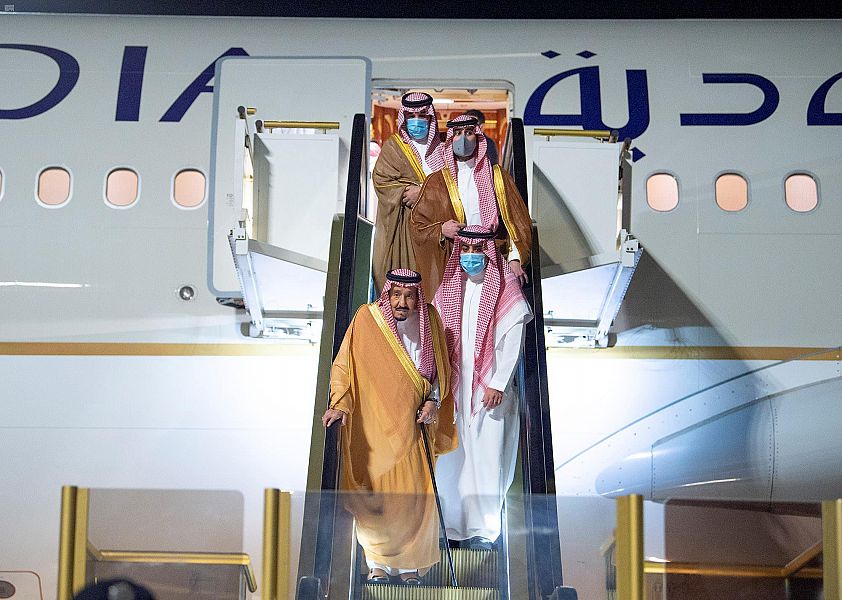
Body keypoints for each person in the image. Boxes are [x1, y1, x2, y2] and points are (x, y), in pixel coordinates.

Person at [322, 269, 456, 584]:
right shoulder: (367, 319)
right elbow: (344, 365)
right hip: (374, 428)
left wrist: (433, 402)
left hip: (415, 427)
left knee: (413, 498)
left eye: (409, 296)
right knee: (376, 499)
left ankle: (409, 565)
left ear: (418, 297)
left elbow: (441, 370)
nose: (402, 302)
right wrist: (339, 404)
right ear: (388, 294)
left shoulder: (430, 320)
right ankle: (377, 564)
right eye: (396, 295)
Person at [433, 226, 533, 545]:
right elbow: (435, 334)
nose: (470, 256)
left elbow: (513, 338)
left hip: (489, 391)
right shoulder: (450, 287)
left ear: (489, 253)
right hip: (455, 390)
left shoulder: (505, 289)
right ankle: (450, 526)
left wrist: (498, 383)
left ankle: (483, 530)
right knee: (453, 457)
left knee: (487, 457)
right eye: (465, 250)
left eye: (477, 250)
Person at [409, 114, 532, 298]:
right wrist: (441, 230)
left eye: (468, 133)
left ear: (478, 137)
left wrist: (515, 258)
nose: (463, 139)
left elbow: (518, 221)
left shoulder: (498, 177)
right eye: (458, 133)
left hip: (493, 258)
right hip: (450, 261)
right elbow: (417, 226)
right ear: (450, 139)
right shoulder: (436, 181)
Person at [371, 93, 445, 292]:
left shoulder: (443, 149)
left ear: (431, 118)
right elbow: (381, 180)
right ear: (404, 118)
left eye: (422, 115)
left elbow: (453, 187)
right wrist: (405, 191)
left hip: (436, 228)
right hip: (404, 228)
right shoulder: (393, 147)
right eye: (411, 116)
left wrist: (423, 193)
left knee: (434, 283)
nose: (417, 121)